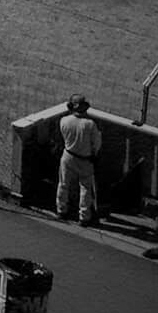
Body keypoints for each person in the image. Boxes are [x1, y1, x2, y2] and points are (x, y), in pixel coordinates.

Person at [56, 95, 101, 226]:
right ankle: (84, 217)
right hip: (85, 159)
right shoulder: (90, 124)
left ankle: (61, 210)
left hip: (68, 156)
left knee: (63, 184)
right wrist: (94, 154)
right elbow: (96, 144)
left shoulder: (64, 121)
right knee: (86, 188)